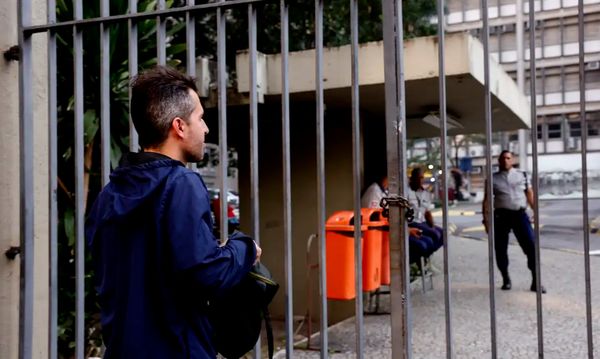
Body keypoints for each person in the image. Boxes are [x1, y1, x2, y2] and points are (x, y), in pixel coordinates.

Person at [85, 66, 261, 358]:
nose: (205, 128)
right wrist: (244, 248)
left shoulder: (109, 194)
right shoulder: (181, 183)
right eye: (200, 118)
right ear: (179, 126)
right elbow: (207, 273)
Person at [482, 150, 546, 294]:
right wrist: (486, 220)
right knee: (500, 249)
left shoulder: (522, 174)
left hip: (519, 214)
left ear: (512, 160)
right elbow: (486, 201)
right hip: (500, 216)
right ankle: (506, 279)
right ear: (498, 161)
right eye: (503, 158)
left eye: (508, 158)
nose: (505, 161)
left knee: (531, 246)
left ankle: (536, 281)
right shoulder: (492, 179)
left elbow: (529, 193)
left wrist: (536, 211)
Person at [361, 174, 435, 264]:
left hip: (392, 231)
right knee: (422, 245)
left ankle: (414, 266)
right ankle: (402, 267)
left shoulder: (386, 191)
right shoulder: (374, 191)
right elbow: (377, 219)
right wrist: (405, 230)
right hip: (382, 234)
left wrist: (407, 229)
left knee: (428, 241)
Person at [407, 167, 444, 254]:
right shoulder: (406, 192)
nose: (420, 180)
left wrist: (432, 226)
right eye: (418, 177)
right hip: (412, 222)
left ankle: (427, 254)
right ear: (412, 178)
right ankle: (424, 256)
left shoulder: (425, 193)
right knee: (434, 235)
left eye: (421, 177)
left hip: (422, 222)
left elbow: (427, 212)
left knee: (442, 234)